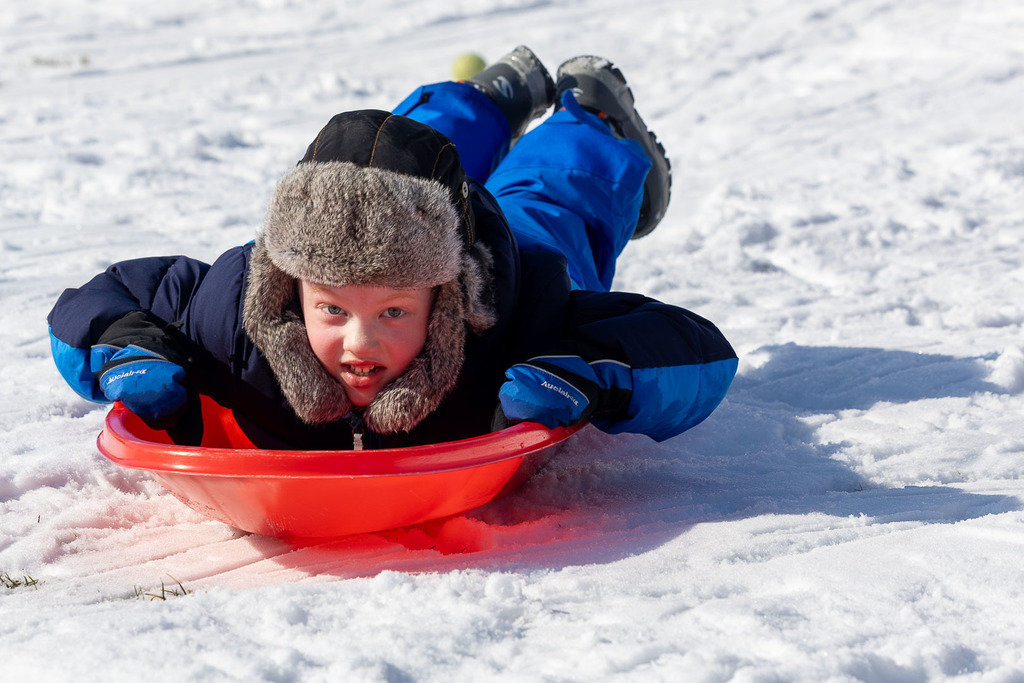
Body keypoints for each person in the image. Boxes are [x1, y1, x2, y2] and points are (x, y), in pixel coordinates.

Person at [47, 46, 738, 450]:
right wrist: (129, 347)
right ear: (293, 290)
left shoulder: (512, 317)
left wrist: (592, 370)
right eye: (333, 309)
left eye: (395, 313)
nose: (360, 341)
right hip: (375, 208)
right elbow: (109, 298)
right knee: (384, 150)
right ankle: (490, 97)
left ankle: (595, 122)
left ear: (444, 300)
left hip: (503, 241)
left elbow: (693, 348)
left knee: (545, 201)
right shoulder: (236, 319)